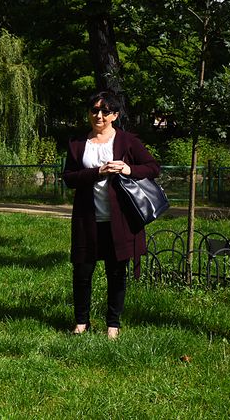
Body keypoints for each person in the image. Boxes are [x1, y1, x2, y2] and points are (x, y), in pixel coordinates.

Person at [62, 90, 159, 340]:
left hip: (120, 221)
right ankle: (81, 322)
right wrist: (98, 172)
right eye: (94, 110)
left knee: (116, 275)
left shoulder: (127, 141)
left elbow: (153, 168)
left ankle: (113, 325)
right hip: (87, 220)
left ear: (115, 115)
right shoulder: (77, 143)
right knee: (82, 273)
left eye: (105, 111)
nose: (99, 116)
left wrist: (127, 168)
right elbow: (69, 178)